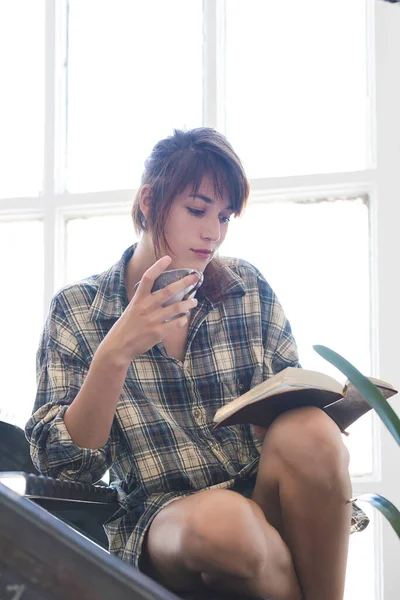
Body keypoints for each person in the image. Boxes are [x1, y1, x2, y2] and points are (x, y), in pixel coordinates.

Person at [26, 128, 353, 600]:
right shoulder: (79, 310)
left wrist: (322, 420)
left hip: (261, 488)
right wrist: (114, 353)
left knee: (311, 431)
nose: (212, 233)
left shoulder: (248, 288)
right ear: (148, 201)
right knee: (229, 525)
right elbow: (65, 470)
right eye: (197, 210)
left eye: (224, 217)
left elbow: (289, 402)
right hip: (165, 516)